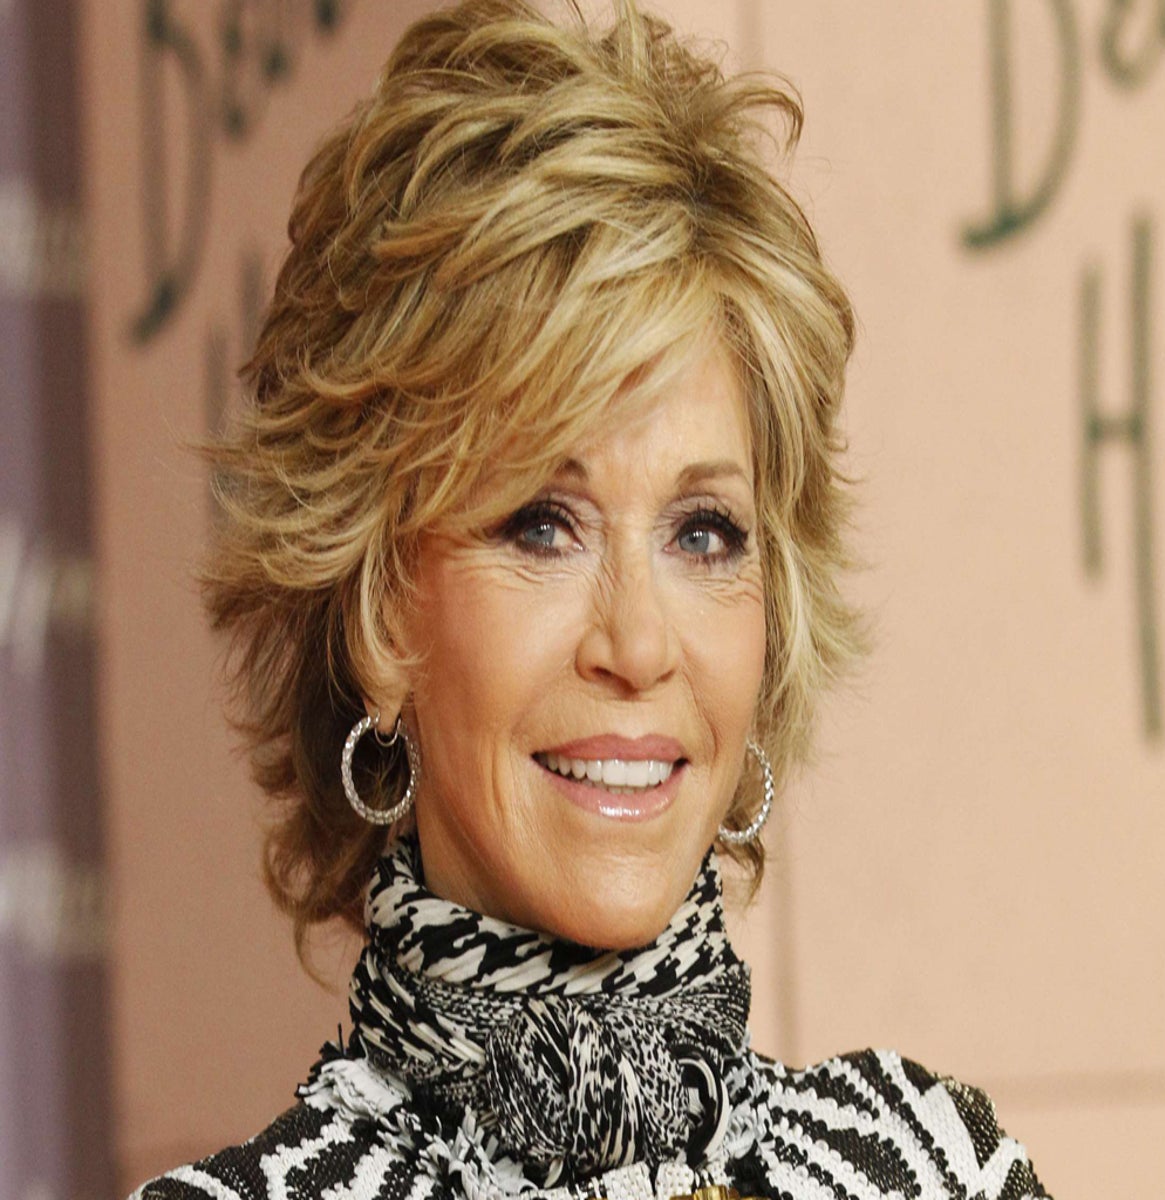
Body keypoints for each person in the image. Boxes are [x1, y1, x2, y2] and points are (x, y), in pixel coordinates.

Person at [131, 1, 1050, 1197]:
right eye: (542, 525)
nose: (639, 641)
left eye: (704, 532)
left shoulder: (932, 1173)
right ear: (381, 611)